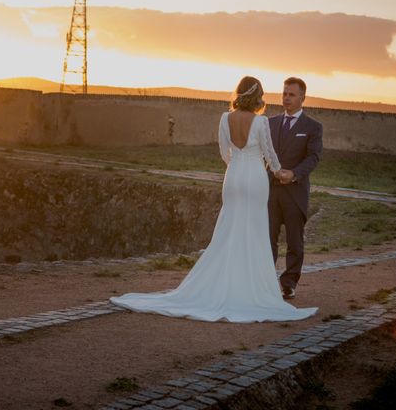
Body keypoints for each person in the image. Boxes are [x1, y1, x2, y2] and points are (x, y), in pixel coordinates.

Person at [110, 76, 317, 322]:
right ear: (257, 96)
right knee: (255, 231)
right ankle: (251, 285)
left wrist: (237, 167)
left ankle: (224, 281)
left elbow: (223, 152)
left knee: (228, 229)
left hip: (233, 177)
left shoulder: (224, 118)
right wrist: (276, 171)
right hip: (254, 178)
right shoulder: (261, 122)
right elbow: (270, 155)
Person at [267, 77, 323, 300]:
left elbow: (314, 157)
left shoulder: (313, 127)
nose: (286, 98)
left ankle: (289, 283)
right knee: (267, 240)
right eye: (284, 93)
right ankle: (266, 281)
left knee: (294, 241)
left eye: (291, 94)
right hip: (270, 191)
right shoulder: (269, 123)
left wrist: (294, 174)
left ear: (302, 97)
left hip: (295, 192)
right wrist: (271, 170)